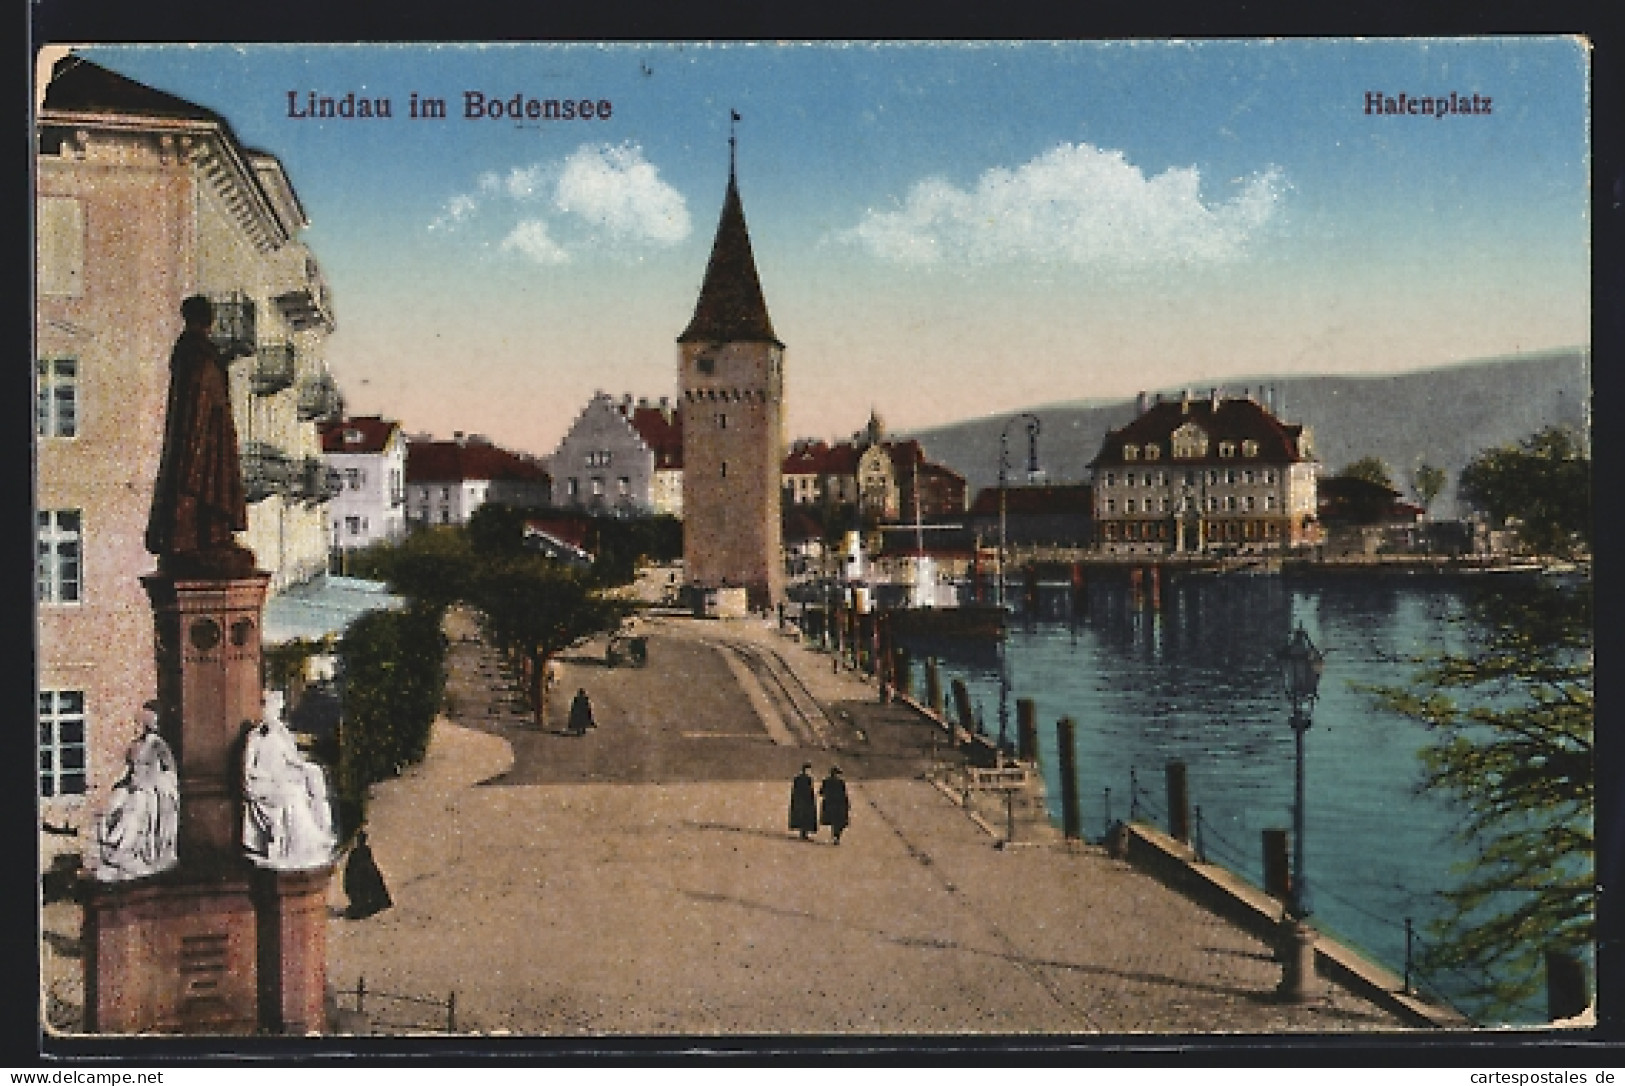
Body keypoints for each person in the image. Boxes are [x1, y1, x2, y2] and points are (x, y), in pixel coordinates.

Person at [145, 295, 254, 578]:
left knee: (211, 486)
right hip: (203, 433)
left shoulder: (200, 353)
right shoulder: (195, 354)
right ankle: (192, 541)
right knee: (199, 484)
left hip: (212, 433)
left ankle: (212, 537)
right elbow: (197, 398)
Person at [243, 689, 336, 869]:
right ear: (264, 710)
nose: (274, 713)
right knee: (291, 795)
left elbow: (292, 760)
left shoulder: (281, 733)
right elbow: (248, 770)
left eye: (277, 709)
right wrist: (264, 779)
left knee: (310, 780)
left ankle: (316, 836)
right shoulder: (255, 737)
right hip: (263, 784)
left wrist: (308, 769)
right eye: (271, 709)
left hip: (280, 781)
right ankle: (296, 846)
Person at [92, 703, 180, 882]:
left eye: (151, 720)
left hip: (150, 790)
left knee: (136, 805)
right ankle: (109, 847)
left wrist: (150, 784)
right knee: (115, 802)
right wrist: (121, 784)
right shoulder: (136, 745)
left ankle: (125, 848)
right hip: (132, 786)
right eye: (145, 720)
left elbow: (170, 774)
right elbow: (127, 771)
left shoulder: (159, 745)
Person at [342, 828, 393, 919]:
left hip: (365, 883)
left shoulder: (363, 854)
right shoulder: (356, 855)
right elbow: (349, 874)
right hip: (360, 885)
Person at [819, 766, 850, 845]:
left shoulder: (826, 781)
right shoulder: (840, 782)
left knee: (834, 821)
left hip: (829, 803)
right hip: (839, 804)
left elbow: (821, 792)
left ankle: (835, 836)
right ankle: (836, 837)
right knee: (839, 821)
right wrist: (847, 803)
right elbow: (844, 794)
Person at [788, 763, 818, 841]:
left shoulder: (798, 778)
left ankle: (803, 833)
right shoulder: (808, 778)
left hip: (800, 799)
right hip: (806, 799)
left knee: (802, 815)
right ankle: (804, 833)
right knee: (806, 815)